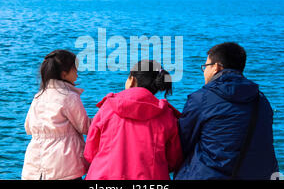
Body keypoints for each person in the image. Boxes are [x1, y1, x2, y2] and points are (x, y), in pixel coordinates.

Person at [174, 42, 279, 180]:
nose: (204, 72)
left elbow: (182, 143)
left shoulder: (201, 99)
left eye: (205, 67)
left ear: (216, 67)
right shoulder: (262, 101)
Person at [84, 60, 183, 180]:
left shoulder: (108, 107)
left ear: (132, 80)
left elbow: (90, 152)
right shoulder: (167, 114)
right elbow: (174, 160)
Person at [21, 49, 92, 180]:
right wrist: (103, 119)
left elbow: (28, 128)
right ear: (64, 74)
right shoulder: (69, 97)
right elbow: (85, 127)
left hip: (34, 166)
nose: (77, 73)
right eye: (75, 69)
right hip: (64, 166)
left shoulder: (38, 96)